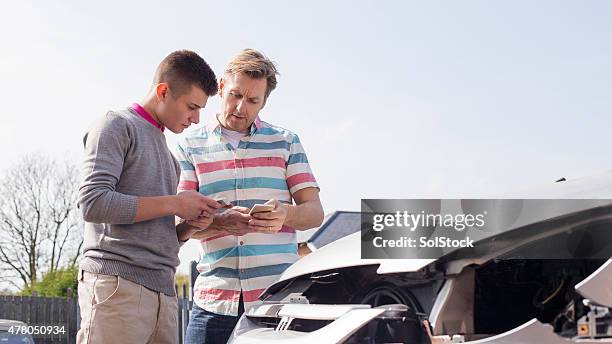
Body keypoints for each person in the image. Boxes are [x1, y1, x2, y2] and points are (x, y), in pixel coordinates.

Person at [177, 48, 324, 344]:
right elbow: (183, 223)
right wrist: (221, 222)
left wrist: (286, 213)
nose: (241, 107)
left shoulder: (286, 142)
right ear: (221, 88)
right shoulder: (189, 145)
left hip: (277, 301)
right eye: (235, 95)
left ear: (264, 102)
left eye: (253, 100)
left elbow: (314, 213)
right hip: (213, 301)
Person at [76, 50, 222, 344]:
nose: (196, 119)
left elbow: (156, 232)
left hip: (164, 295)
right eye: (192, 107)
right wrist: (177, 203)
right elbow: (93, 202)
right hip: (118, 289)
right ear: (163, 91)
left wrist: (189, 227)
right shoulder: (116, 125)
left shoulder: (169, 156)